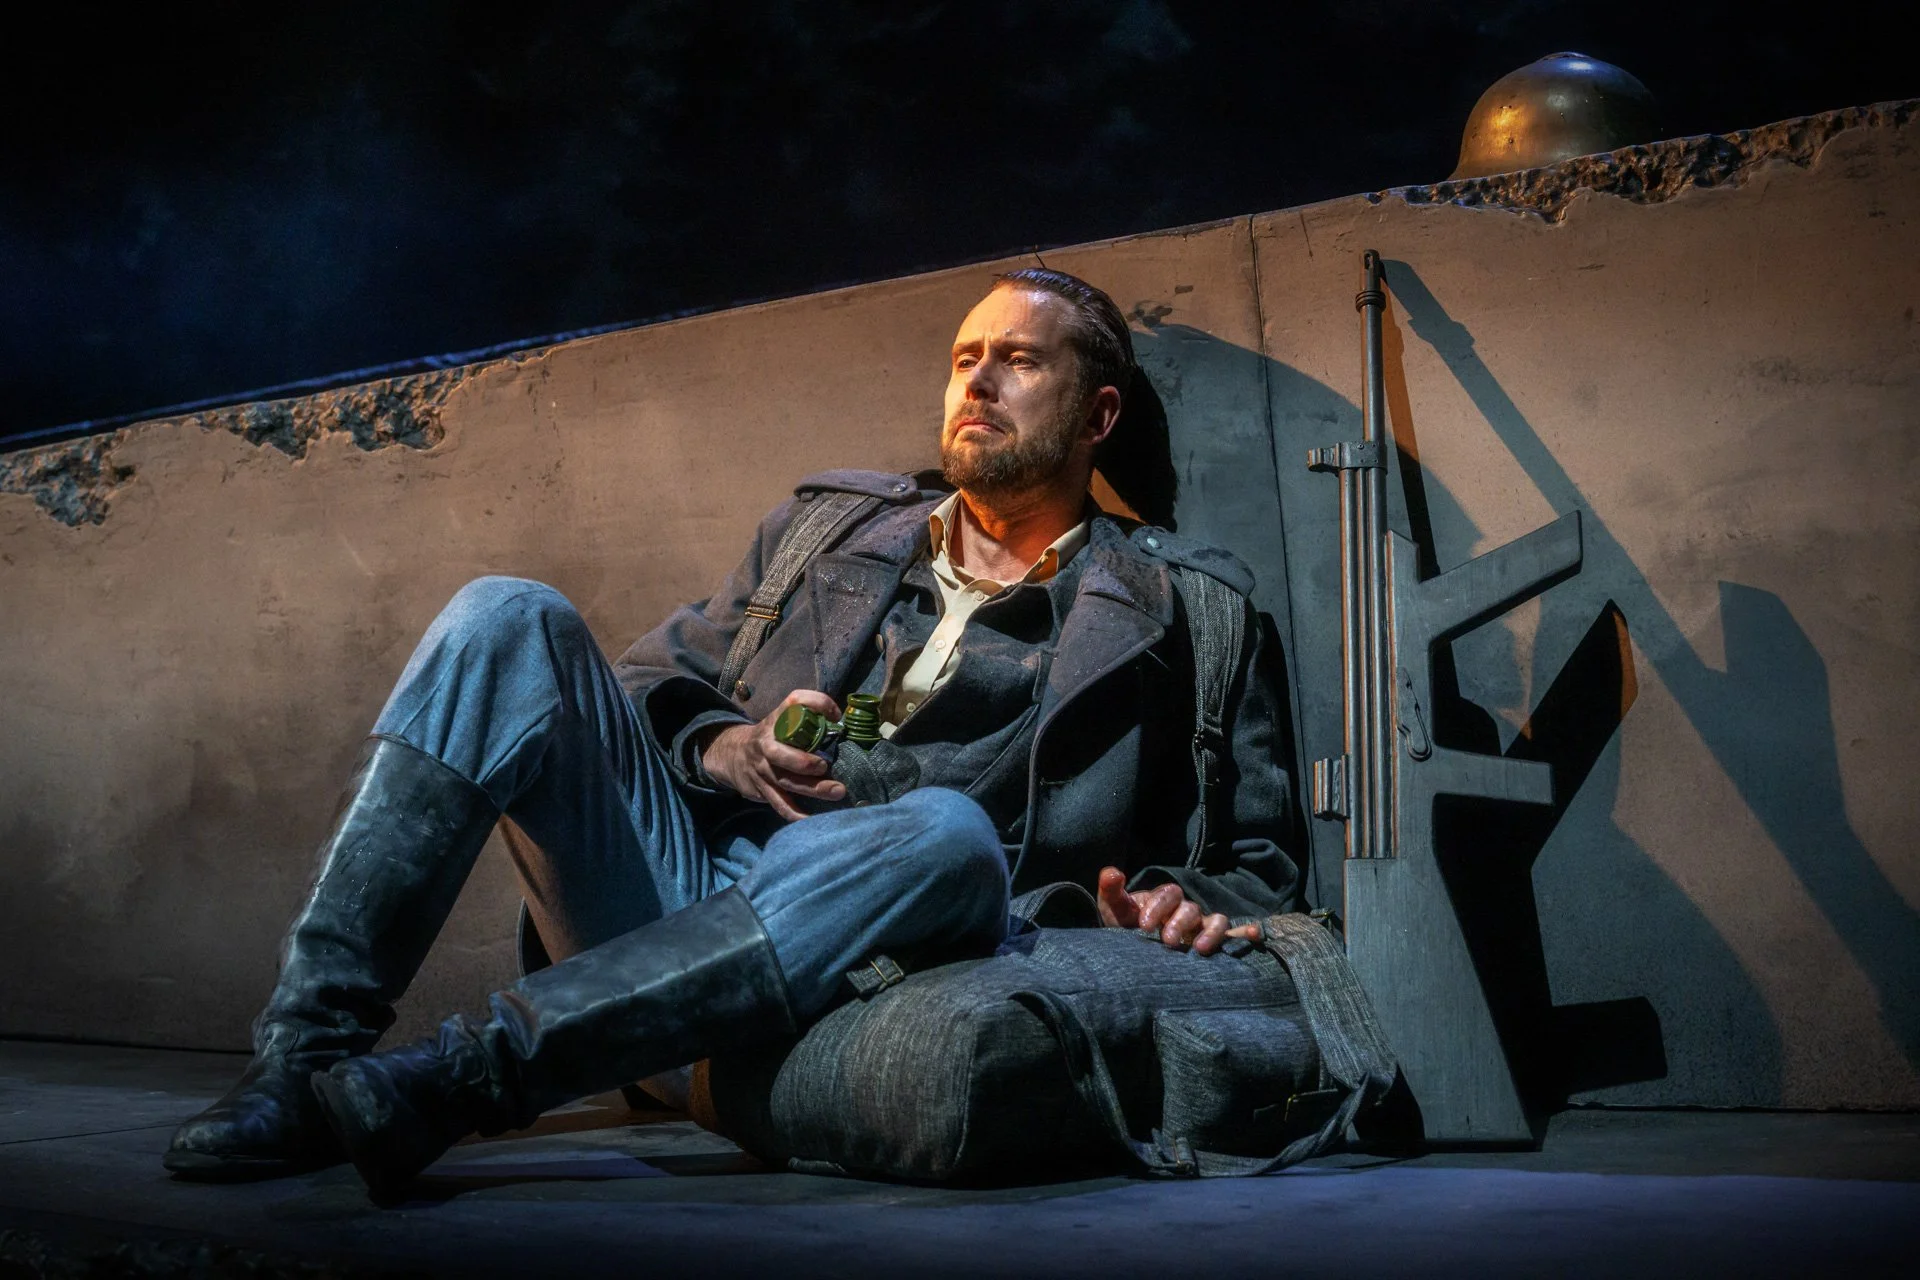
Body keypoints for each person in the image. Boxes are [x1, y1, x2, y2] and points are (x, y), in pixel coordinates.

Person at [163, 267, 1301, 1200]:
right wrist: (723, 745)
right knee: (507, 614)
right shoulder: (832, 530)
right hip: (684, 894)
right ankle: (302, 1061)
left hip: (881, 954)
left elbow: (1260, 870)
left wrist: (1176, 902)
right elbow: (649, 678)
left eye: (1020, 360)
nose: (979, 381)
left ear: (1098, 415)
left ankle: (463, 1078)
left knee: (946, 831)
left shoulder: (1184, 610)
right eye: (965, 358)